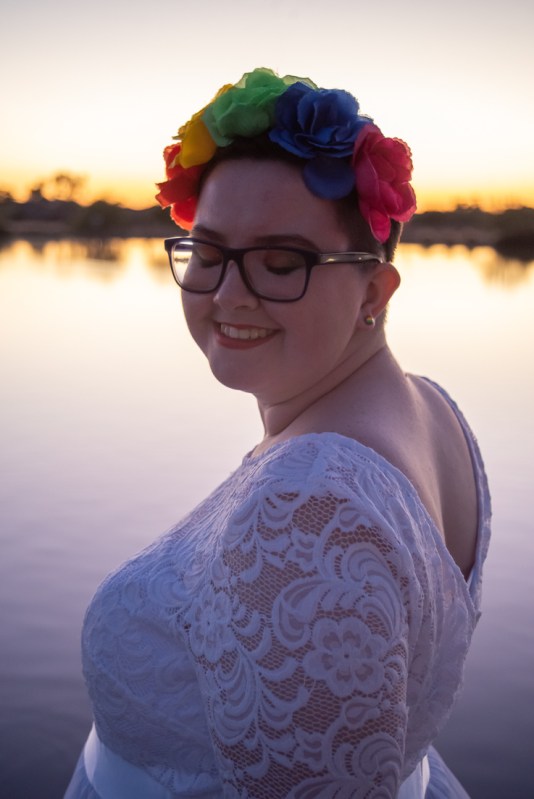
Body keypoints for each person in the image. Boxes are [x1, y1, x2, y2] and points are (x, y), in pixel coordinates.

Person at [64, 68, 491, 798]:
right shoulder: (430, 407)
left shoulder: (308, 508)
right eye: (208, 252)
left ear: (373, 289)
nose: (230, 294)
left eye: (282, 262)